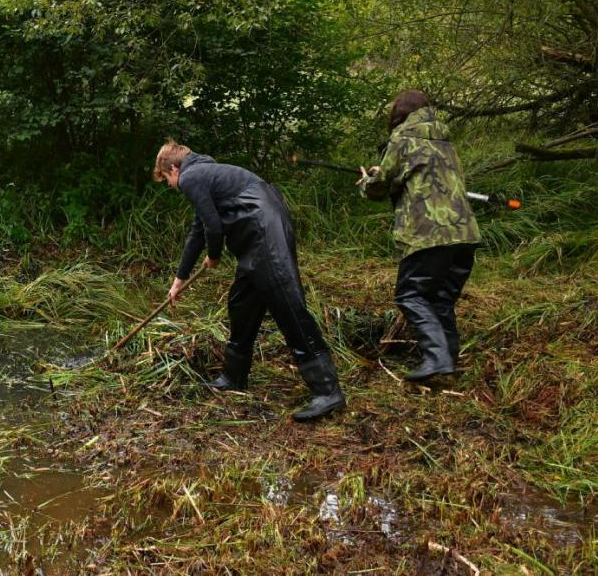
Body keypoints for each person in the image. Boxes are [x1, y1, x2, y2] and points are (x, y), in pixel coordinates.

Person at [153, 140, 345, 421]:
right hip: (255, 237)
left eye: (167, 179)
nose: (171, 186)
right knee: (242, 303)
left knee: (287, 305)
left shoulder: (192, 176)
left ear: (172, 168)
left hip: (262, 230)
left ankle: (328, 391)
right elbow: (199, 230)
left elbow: (213, 228)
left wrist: (215, 256)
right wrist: (179, 279)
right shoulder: (206, 173)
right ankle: (234, 376)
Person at [359, 90, 481, 382]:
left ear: (399, 113)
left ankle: (436, 357)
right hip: (464, 234)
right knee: (440, 300)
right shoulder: (445, 142)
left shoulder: (402, 139)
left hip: (429, 234)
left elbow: (380, 186)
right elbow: (418, 174)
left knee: (410, 295)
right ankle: (448, 361)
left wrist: (366, 181)